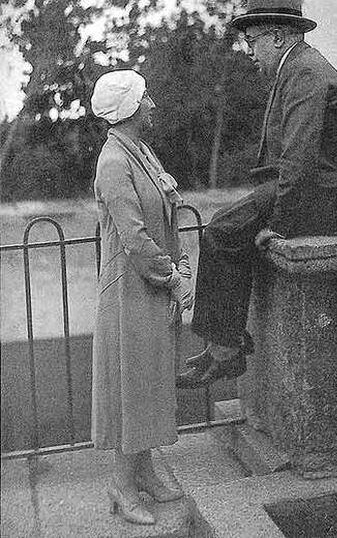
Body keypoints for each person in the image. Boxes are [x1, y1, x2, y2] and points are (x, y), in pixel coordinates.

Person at [176, 0, 337, 389]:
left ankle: (225, 350)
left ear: (278, 37)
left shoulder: (304, 73)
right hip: (320, 189)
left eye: (252, 42)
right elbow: (291, 161)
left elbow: (298, 161)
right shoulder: (296, 67)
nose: (249, 51)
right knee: (224, 228)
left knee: (222, 231)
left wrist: (282, 225)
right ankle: (224, 343)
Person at [91, 70, 193, 525]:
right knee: (132, 387)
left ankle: (145, 470)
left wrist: (177, 265)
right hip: (129, 288)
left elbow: (161, 216)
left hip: (147, 286)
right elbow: (133, 237)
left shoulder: (141, 152)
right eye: (145, 94)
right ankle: (122, 482)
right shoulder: (114, 161)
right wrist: (172, 276)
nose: (152, 100)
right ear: (130, 107)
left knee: (150, 381)